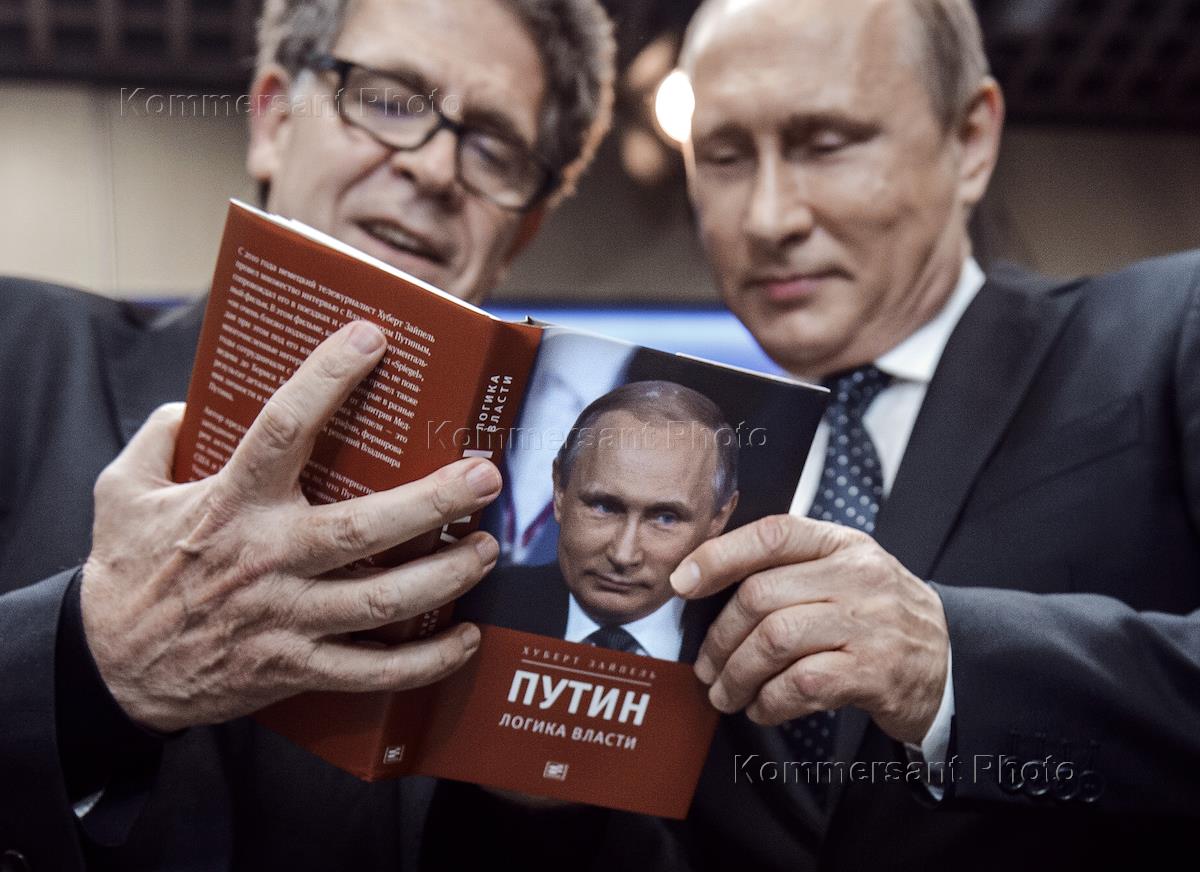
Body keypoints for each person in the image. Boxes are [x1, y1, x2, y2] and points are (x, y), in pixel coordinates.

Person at [0, 0, 619, 867]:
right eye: (391, 100)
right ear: (273, 120)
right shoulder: (22, 354)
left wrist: (535, 807)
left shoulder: (535, 545)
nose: (436, 168)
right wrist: (93, 658)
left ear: (524, 228)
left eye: (493, 149)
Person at [668, 0, 1200, 869]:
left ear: (971, 140)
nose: (767, 217)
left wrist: (951, 664)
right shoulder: (687, 471)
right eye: (725, 157)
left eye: (826, 143)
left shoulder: (1168, 330)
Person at [458, 380, 740, 663]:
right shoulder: (471, 606)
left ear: (719, 518)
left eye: (665, 518)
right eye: (604, 507)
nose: (623, 555)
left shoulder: (749, 640)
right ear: (560, 491)